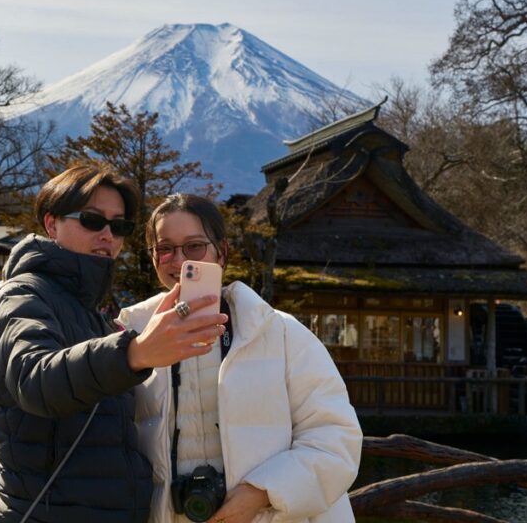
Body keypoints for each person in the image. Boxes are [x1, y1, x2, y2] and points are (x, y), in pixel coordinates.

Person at [0, 164, 223, 522]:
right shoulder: (20, 295)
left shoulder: (93, 314)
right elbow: (35, 380)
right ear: (51, 224)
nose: (108, 235)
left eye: (119, 226)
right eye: (92, 220)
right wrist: (135, 353)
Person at [117, 193, 362, 523]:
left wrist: (262, 491)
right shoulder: (130, 340)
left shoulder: (280, 333)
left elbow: (335, 437)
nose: (180, 261)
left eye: (194, 247)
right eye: (165, 249)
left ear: (222, 252)